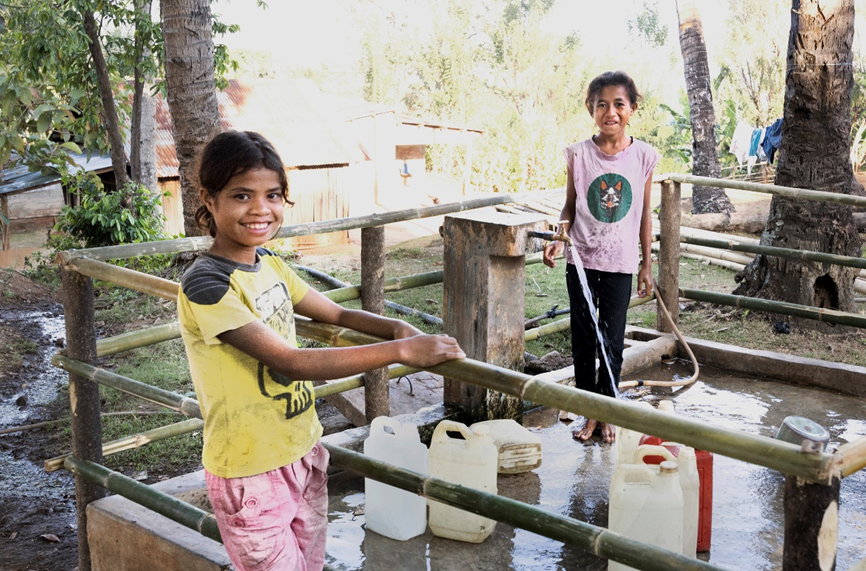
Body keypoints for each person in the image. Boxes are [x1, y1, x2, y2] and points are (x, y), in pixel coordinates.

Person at [177, 130, 466, 571]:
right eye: (241, 195)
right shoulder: (207, 284)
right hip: (248, 470)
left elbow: (334, 314)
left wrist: (394, 327)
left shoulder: (268, 263)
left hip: (304, 450)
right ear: (209, 199)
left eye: (273, 195)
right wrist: (401, 351)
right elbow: (289, 362)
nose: (261, 208)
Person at [542, 71, 659, 443]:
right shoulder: (578, 154)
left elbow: (643, 212)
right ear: (591, 109)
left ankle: (607, 413)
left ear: (632, 109)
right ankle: (588, 414)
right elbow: (570, 206)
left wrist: (646, 263)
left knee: (612, 339)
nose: (610, 111)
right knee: (583, 339)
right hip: (581, 259)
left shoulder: (643, 156)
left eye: (618, 104)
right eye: (601, 104)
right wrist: (558, 238)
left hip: (620, 263)